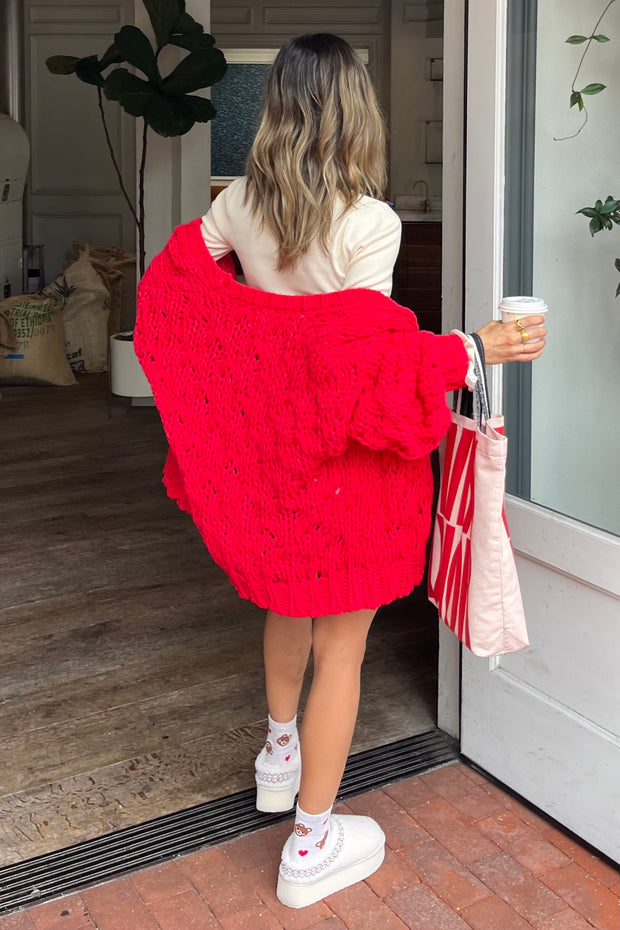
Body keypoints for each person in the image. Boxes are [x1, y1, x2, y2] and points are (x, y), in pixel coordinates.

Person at [134, 33, 547, 910]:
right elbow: (361, 368)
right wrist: (475, 349)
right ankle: (311, 843)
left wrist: (237, 374)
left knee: (288, 601)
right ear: (358, 111)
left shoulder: (239, 201)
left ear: (278, 106)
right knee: (343, 646)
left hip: (273, 460)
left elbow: (183, 290)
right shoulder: (371, 224)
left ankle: (278, 758)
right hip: (344, 470)